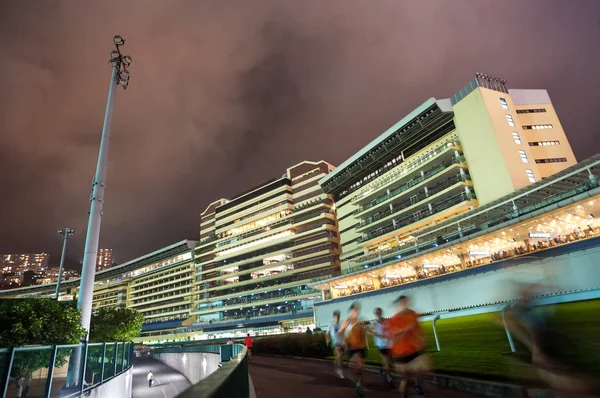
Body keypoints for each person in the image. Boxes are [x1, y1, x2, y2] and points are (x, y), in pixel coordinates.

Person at [388, 295, 429, 397]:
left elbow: (417, 329)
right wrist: (405, 329)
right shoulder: (394, 319)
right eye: (402, 303)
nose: (405, 305)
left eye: (406, 302)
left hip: (413, 350)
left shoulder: (413, 314)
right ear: (399, 305)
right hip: (400, 353)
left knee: (422, 369)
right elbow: (394, 337)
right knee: (405, 380)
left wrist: (421, 338)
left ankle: (417, 385)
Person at [339, 302, 367, 396]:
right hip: (352, 348)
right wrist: (344, 342)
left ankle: (359, 384)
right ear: (351, 311)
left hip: (361, 347)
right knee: (357, 368)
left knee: (361, 369)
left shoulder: (359, 322)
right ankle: (358, 384)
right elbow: (340, 332)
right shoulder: (347, 321)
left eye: (357, 310)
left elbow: (362, 334)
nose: (356, 311)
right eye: (354, 310)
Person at [368, 307, 394, 385]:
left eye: (379, 312)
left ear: (381, 312)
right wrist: (375, 334)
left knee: (390, 363)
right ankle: (389, 378)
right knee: (387, 363)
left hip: (389, 344)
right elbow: (368, 331)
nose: (378, 313)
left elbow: (391, 331)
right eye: (377, 312)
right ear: (375, 314)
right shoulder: (375, 323)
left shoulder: (387, 321)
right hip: (381, 345)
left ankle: (383, 369)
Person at [325, 310, 345, 379]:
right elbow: (327, 333)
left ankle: (336, 362)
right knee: (339, 355)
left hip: (342, 342)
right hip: (335, 342)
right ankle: (340, 372)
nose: (337, 317)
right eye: (336, 316)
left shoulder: (342, 323)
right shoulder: (331, 324)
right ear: (334, 317)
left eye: (338, 316)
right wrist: (327, 340)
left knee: (341, 358)